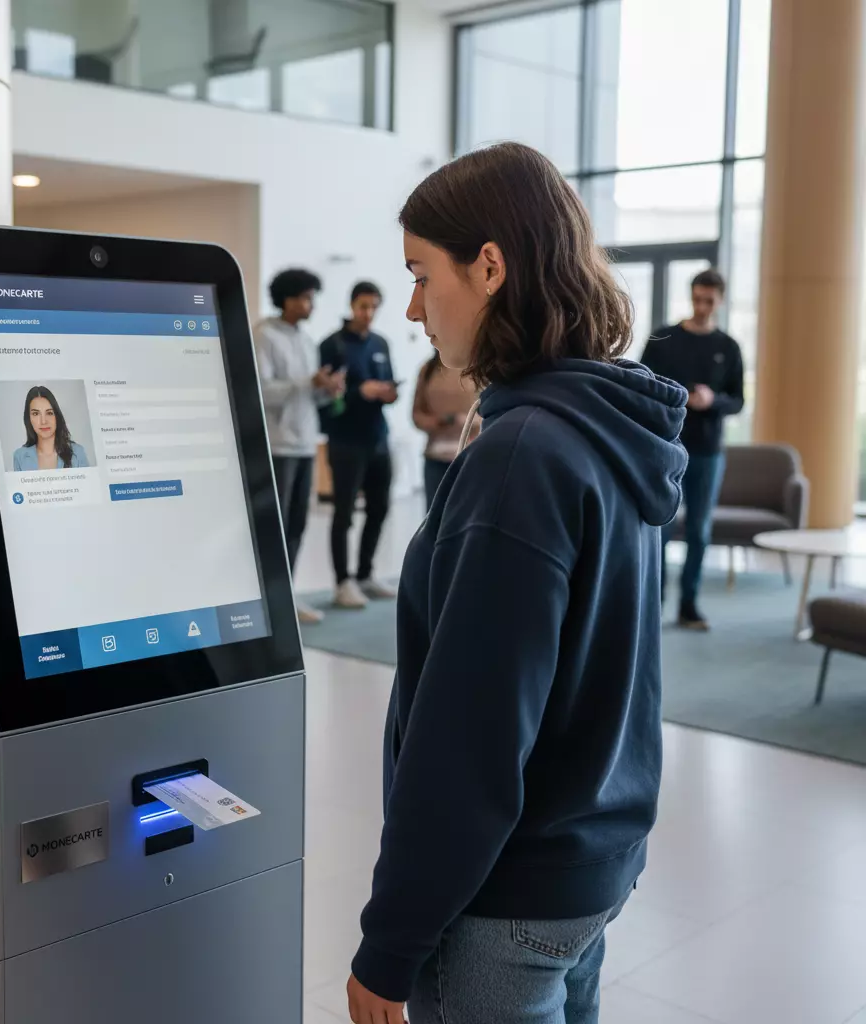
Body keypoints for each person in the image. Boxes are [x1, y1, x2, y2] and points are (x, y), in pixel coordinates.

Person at [345, 142, 688, 1024]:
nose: (415, 308)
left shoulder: (523, 456)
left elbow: (472, 739)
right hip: (590, 864)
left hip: (507, 899)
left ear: (490, 266)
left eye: (424, 275)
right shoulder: (605, 425)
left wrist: (390, 946)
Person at [640, 269, 745, 631]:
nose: (702, 307)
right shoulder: (664, 338)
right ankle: (652, 602)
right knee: (661, 527)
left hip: (708, 451)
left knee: (699, 531)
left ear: (720, 301)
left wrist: (713, 399)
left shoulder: (728, 347)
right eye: (697, 299)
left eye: (709, 301)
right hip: (666, 447)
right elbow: (641, 385)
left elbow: (738, 402)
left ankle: (689, 606)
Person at [254, 269, 345, 625]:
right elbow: (260, 391)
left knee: (296, 526)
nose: (311, 305)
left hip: (306, 444)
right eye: (305, 297)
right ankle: (268, 602)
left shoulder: (307, 340)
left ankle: (286, 597)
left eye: (313, 297)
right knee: (274, 529)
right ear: (286, 298)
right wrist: (308, 382)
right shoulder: (264, 335)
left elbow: (308, 398)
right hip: (278, 446)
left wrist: (326, 389)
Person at [319, 282, 399, 609]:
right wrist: (358, 392)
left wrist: (388, 393)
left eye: (374, 307)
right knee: (344, 513)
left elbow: (391, 385)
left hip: (378, 438)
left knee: (380, 508)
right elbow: (325, 396)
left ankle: (365, 574)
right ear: (352, 305)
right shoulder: (332, 345)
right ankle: (343, 581)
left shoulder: (381, 343)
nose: (368, 313)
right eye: (363, 306)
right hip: (345, 441)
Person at [412, 351, 479, 509]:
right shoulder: (429, 369)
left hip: (470, 458)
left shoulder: (480, 367)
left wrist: (466, 421)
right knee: (434, 520)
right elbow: (417, 414)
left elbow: (494, 413)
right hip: (436, 457)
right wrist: (438, 421)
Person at [13, 385, 89, 470]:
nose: (43, 421)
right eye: (36, 414)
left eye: (49, 413)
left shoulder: (78, 453)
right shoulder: (20, 457)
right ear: (29, 418)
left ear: (57, 416)